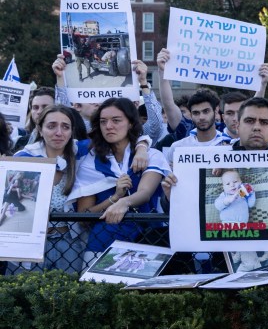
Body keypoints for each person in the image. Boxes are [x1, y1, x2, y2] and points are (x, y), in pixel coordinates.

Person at [161, 97, 268, 270]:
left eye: (264, 122)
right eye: (249, 121)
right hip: (223, 264)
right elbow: (180, 211)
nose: (256, 127)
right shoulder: (209, 161)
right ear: (237, 126)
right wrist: (170, 196)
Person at [73, 98, 169, 262]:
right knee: (94, 286)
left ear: (131, 123)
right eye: (103, 122)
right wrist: (114, 198)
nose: (109, 126)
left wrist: (124, 202)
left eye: (116, 120)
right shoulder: (89, 161)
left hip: (147, 240)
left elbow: (145, 193)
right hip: (102, 240)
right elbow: (84, 216)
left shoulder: (151, 155)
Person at [10, 105, 91, 273]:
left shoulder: (82, 155)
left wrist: (142, 145)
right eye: (51, 126)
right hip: (30, 246)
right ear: (39, 129)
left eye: (65, 127)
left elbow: (118, 137)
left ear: (72, 131)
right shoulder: (22, 160)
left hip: (69, 244)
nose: (59, 132)